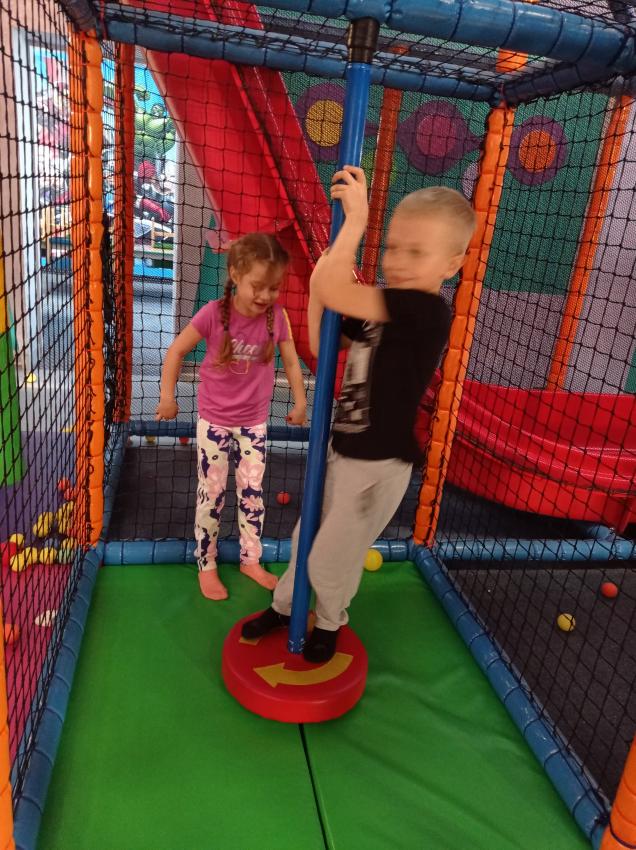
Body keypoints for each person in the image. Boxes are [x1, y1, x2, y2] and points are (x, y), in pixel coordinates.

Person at [242, 166, 476, 662]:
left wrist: (355, 224)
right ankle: (286, 607)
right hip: (344, 449)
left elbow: (337, 291)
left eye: (417, 252)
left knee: (333, 556)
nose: (399, 261)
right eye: (392, 247)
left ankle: (330, 621)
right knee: (306, 538)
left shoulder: (425, 310)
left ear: (452, 265)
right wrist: (316, 291)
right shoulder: (381, 310)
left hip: (379, 465)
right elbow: (321, 340)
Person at [156, 233, 307, 600]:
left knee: (252, 493)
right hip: (215, 421)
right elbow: (176, 351)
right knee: (211, 493)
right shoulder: (213, 313)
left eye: (274, 288)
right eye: (258, 286)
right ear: (236, 275)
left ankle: (250, 559)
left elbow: (290, 361)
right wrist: (167, 397)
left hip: (253, 422)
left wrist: (300, 401)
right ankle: (206, 563)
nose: (266, 295)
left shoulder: (276, 317)